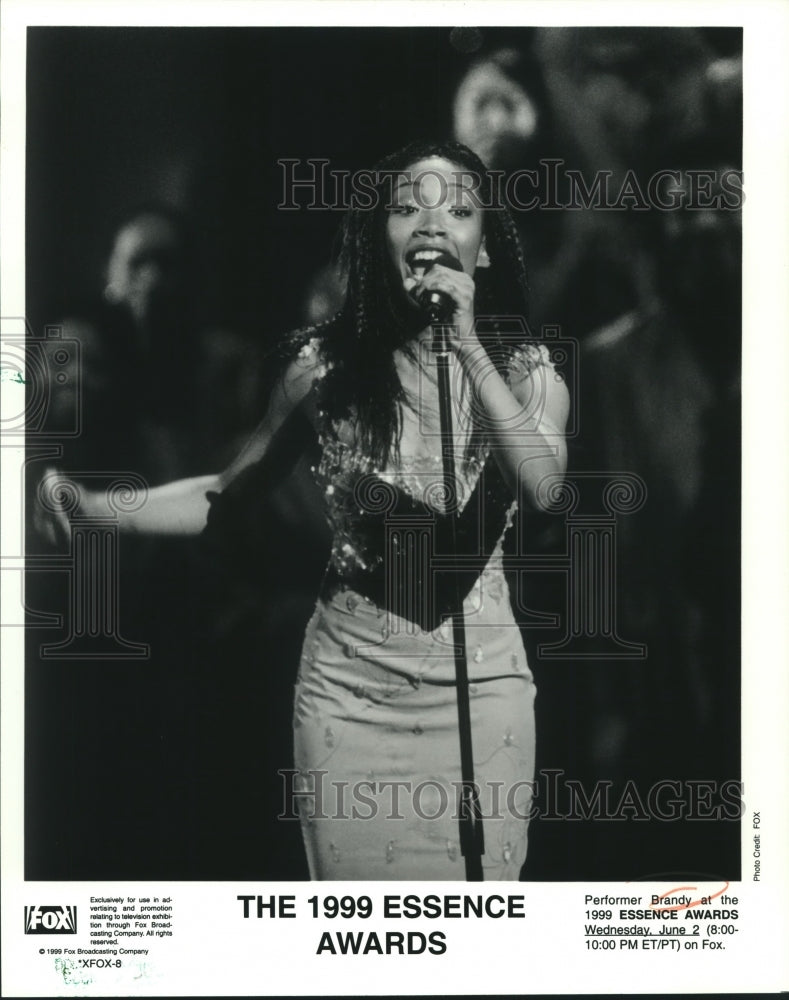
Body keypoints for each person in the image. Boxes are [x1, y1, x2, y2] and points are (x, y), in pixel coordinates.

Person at [40, 140, 569, 880]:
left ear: (481, 249)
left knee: (480, 927)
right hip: (350, 693)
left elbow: (545, 486)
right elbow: (228, 496)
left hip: (481, 694)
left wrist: (469, 347)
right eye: (404, 205)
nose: (429, 221)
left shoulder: (527, 374)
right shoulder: (323, 375)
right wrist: (97, 506)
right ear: (373, 239)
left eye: (457, 208)